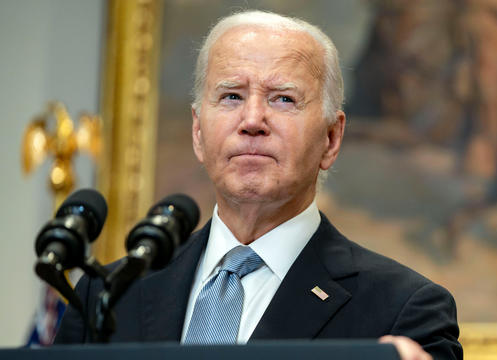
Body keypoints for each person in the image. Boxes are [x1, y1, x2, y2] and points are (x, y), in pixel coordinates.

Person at [54, 10, 462, 360]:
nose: (252, 121)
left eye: (282, 99)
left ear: (331, 139)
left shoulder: (403, 310)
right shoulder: (107, 295)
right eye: (231, 96)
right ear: (198, 131)